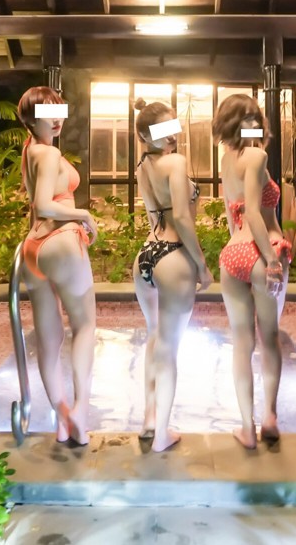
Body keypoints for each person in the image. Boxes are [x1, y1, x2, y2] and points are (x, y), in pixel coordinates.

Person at [17, 86, 98, 446]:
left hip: (33, 249)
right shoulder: (48, 153)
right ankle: (79, 409)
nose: (59, 117)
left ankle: (62, 418)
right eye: (50, 112)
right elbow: (44, 204)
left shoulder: (30, 151)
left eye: (60, 110)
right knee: (85, 326)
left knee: (50, 341)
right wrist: (82, 213)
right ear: (32, 118)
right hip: (61, 241)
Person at [133, 98, 214, 452]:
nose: (172, 136)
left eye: (173, 127)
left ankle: (150, 419)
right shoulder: (176, 163)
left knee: (154, 338)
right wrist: (202, 265)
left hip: (147, 255)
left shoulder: (143, 166)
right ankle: (162, 433)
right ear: (148, 134)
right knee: (169, 347)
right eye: (164, 130)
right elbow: (181, 216)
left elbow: (156, 217)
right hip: (174, 255)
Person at [212, 94, 292, 451]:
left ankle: (247, 428)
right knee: (269, 336)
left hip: (233, 255)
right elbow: (256, 214)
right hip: (263, 251)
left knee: (241, 343)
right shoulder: (257, 156)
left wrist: (240, 247)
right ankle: (270, 419)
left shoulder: (226, 160)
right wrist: (271, 261)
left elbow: (235, 217)